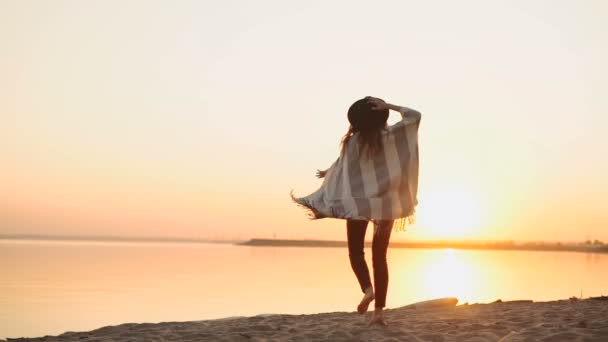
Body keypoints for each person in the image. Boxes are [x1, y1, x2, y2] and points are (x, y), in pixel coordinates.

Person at [292, 96, 421, 326]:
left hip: (358, 204)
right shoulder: (391, 137)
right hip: (386, 204)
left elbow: (342, 167)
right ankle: (379, 313)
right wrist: (390, 105)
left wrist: (327, 172)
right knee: (379, 257)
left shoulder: (351, 143)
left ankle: (367, 289)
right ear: (380, 117)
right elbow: (415, 116)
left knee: (356, 253)